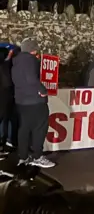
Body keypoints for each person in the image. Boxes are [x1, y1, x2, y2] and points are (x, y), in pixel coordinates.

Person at [12, 39, 55, 168]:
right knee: (39, 129)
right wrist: (43, 90)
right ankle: (37, 156)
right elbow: (31, 78)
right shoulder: (30, 60)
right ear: (33, 49)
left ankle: (23, 157)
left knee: (24, 129)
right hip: (35, 101)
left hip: (21, 101)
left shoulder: (16, 61)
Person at [0, 48, 13, 155]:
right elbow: (7, 83)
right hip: (4, 98)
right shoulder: (4, 67)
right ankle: (6, 142)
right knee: (5, 119)